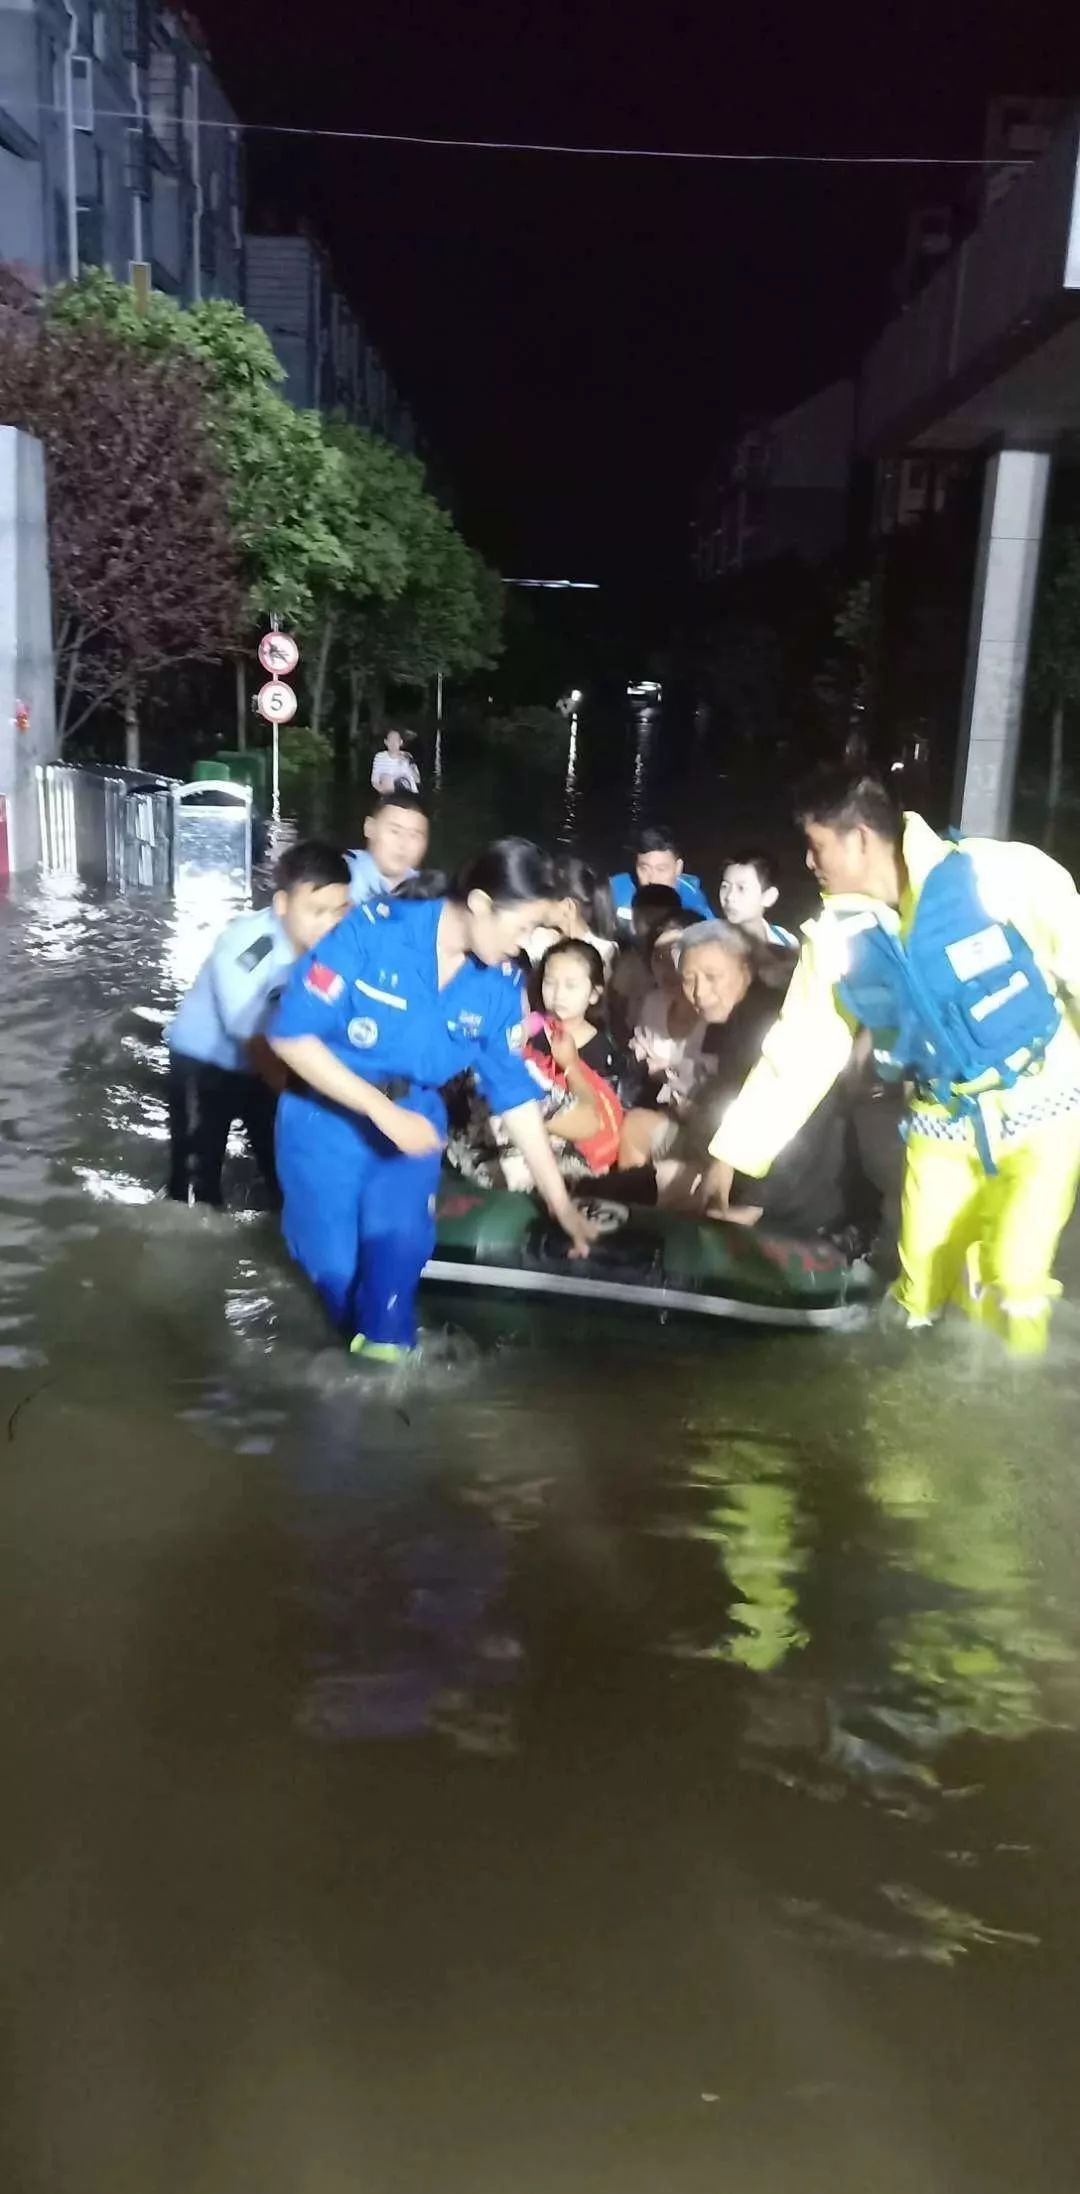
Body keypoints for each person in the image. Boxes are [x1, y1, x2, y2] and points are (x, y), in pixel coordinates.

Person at [701, 770, 1080, 1352]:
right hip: (943, 1122)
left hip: (1044, 1104)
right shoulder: (836, 938)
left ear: (858, 840)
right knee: (918, 1289)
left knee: (1016, 1272)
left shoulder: (998, 875)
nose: (808, 861)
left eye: (816, 845)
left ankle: (1016, 1393)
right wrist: (728, 1156)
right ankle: (916, 1412)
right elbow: (799, 1050)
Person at [268, 839, 598, 1363]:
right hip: (323, 1121)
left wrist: (561, 1204)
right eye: (521, 929)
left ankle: (389, 1394)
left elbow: (514, 1094)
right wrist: (379, 1111)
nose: (523, 945)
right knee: (336, 1276)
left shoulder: (498, 983)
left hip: (413, 1126)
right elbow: (289, 1036)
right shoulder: (374, 933)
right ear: (483, 905)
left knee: (394, 1270)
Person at [166, 840, 351, 1206]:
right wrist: (309, 1105)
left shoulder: (336, 944)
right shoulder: (249, 947)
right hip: (205, 1064)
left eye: (339, 910)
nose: (331, 923)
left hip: (273, 1060)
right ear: (282, 905)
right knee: (193, 1187)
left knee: (288, 1177)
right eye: (317, 911)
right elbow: (251, 1039)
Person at [450, 938, 624, 1191]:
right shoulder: (531, 1028)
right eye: (550, 983)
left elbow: (601, 1114)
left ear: (595, 993)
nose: (558, 994)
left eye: (571, 985)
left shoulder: (603, 1051)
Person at [608, 883, 684, 1044]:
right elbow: (617, 1008)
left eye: (660, 921)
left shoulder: (690, 963)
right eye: (646, 920)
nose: (653, 929)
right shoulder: (629, 963)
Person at [609, 826, 713, 931]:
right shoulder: (614, 889)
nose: (652, 880)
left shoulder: (693, 900)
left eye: (661, 869)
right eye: (644, 869)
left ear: (678, 868)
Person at [525, 854, 616, 970]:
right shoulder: (538, 942)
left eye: (546, 897)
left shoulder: (606, 953)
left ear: (568, 906)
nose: (539, 904)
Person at [346, 789, 429, 905]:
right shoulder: (340, 875)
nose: (403, 843)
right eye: (394, 831)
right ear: (369, 828)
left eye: (414, 836)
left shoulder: (427, 892)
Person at [719, 851, 798, 949]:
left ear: (769, 896)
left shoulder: (786, 942)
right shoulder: (706, 944)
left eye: (741, 888)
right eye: (725, 886)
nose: (729, 897)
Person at [371, 728, 420, 796]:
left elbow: (417, 779)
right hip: (388, 794)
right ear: (386, 742)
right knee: (387, 778)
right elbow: (374, 781)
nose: (393, 743)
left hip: (408, 793)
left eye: (396, 740)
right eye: (390, 740)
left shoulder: (407, 756)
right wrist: (384, 792)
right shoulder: (379, 757)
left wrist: (408, 763)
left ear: (401, 742)